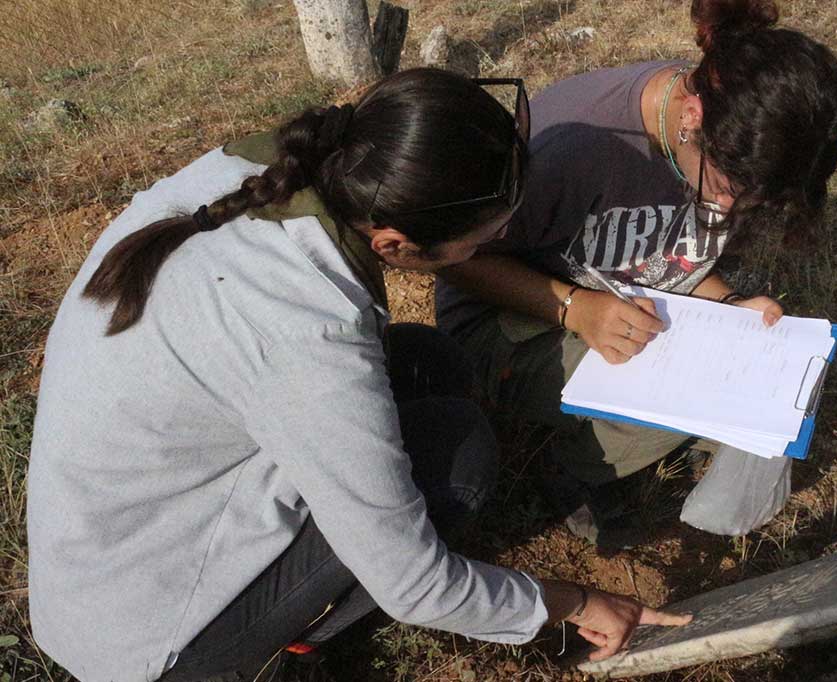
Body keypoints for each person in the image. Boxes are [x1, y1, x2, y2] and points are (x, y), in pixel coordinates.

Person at [27, 68, 688, 682]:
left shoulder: (268, 169)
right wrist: (571, 602)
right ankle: (278, 646)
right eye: (481, 240)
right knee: (458, 457)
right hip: (146, 635)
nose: (496, 242)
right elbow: (416, 584)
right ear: (393, 244)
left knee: (431, 362)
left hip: (112, 535)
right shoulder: (304, 329)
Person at [436, 0, 837, 543]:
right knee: (682, 397)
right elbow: (459, 263)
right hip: (504, 317)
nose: (731, 213)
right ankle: (575, 468)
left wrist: (730, 306)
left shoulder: (729, 138)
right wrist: (574, 307)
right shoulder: (570, 149)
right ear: (693, 118)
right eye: (730, 191)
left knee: (773, 389)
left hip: (616, 295)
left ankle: (627, 437)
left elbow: (669, 258)